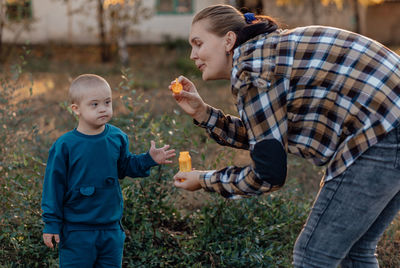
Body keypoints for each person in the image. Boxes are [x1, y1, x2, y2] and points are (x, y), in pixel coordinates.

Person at [170, 4, 400, 268]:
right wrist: (202, 113)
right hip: (389, 123)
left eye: (198, 44)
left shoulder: (254, 71)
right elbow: (266, 136)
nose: (192, 55)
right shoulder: (264, 53)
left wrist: (203, 179)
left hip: (385, 130)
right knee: (355, 251)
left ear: (229, 41)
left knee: (312, 255)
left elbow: (269, 175)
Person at [41, 74, 175, 267]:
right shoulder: (65, 145)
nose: (103, 108)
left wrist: (149, 159)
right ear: (76, 109)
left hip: (111, 229)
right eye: (94, 104)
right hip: (76, 231)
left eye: (107, 102)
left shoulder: (117, 137)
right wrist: (51, 223)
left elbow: (125, 167)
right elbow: (53, 187)